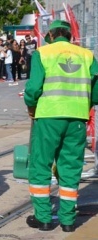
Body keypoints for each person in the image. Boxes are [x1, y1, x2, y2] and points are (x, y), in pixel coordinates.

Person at [24, 20, 98, 232]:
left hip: (48, 116)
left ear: (51, 36)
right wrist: (86, 103)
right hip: (77, 118)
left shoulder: (43, 53)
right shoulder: (87, 56)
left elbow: (33, 88)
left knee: (40, 166)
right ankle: (67, 220)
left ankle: (44, 218)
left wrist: (31, 105)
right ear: (70, 35)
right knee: (70, 168)